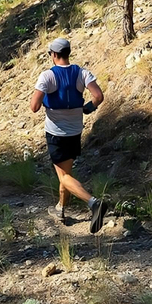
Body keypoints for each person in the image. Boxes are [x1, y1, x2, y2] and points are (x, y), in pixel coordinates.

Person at [30, 38, 107, 233]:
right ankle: (60, 209)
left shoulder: (47, 76)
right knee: (65, 174)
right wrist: (88, 108)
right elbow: (98, 96)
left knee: (63, 176)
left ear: (54, 55)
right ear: (68, 53)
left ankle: (93, 203)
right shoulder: (82, 73)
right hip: (75, 131)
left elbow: (34, 106)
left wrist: (46, 98)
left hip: (56, 134)